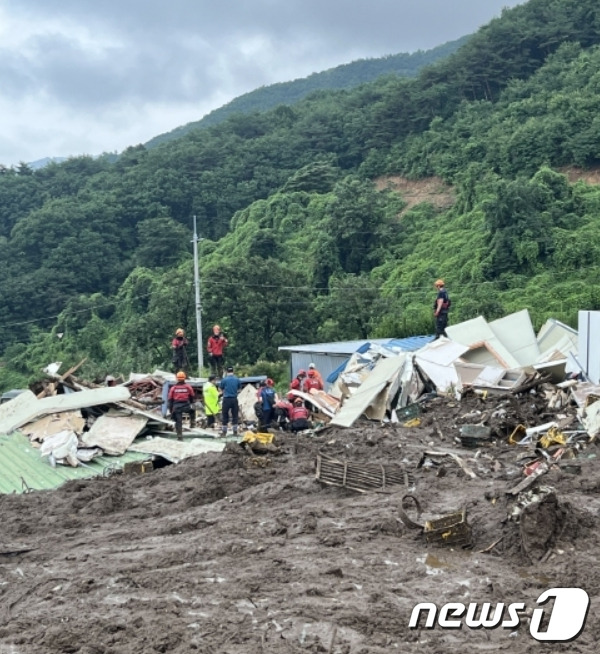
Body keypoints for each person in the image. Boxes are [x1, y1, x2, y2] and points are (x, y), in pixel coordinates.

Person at [168, 371, 196, 440]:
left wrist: (171, 410)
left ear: (177, 379)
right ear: (184, 378)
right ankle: (192, 423)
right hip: (186, 405)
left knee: (178, 422)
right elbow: (192, 396)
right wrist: (192, 403)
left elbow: (170, 399)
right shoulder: (188, 387)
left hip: (176, 406)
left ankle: (180, 436)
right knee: (193, 410)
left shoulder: (173, 388)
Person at [219, 366, 241, 437]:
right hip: (234, 399)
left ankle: (224, 432)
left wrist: (224, 392)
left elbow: (220, 389)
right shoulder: (237, 379)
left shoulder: (224, 380)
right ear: (233, 371)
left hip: (226, 399)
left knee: (225, 415)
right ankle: (235, 432)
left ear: (227, 372)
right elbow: (239, 390)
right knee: (235, 415)